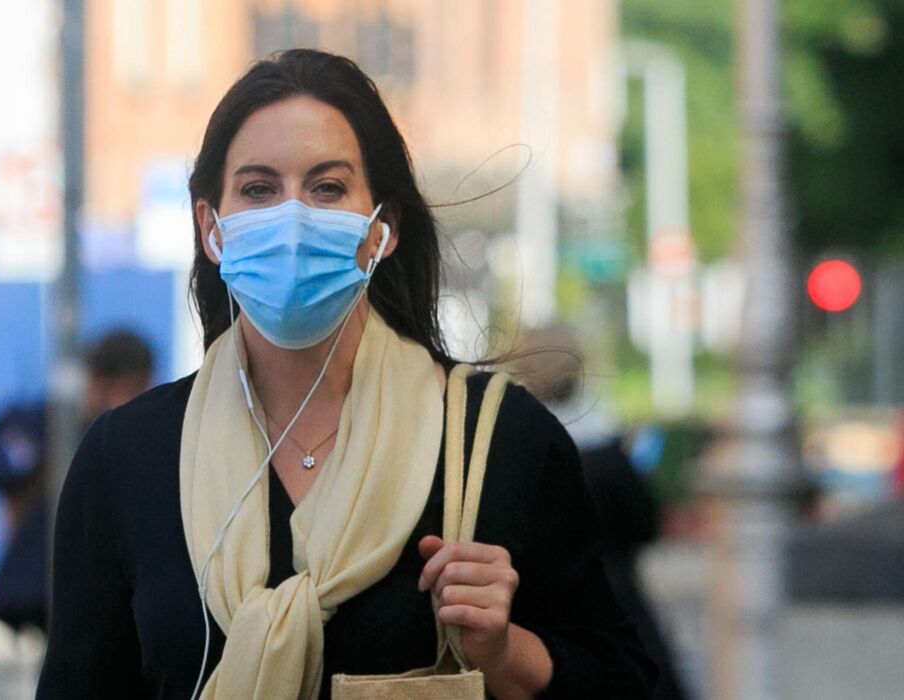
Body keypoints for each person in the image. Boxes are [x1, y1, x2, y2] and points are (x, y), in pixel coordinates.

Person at [37, 49, 655, 699]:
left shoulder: (495, 441)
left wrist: (506, 652)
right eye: (258, 189)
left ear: (382, 227)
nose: (294, 218)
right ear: (212, 229)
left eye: (327, 187)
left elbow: (623, 677)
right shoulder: (127, 457)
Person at [512, 324, 689, 700]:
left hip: (529, 621)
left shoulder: (511, 448)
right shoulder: (605, 451)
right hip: (614, 604)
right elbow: (646, 524)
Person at [0, 328, 153, 633]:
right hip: (35, 585)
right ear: (101, 383)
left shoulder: (136, 438)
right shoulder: (44, 424)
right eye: (134, 389)